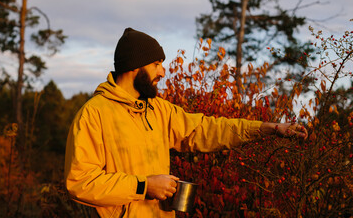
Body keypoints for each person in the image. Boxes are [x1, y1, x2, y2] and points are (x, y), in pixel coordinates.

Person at [64, 27, 308, 218]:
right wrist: (143, 186)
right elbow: (80, 182)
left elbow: (208, 129)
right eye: (156, 65)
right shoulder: (94, 114)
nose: (162, 72)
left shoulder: (158, 110)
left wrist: (266, 128)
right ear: (134, 66)